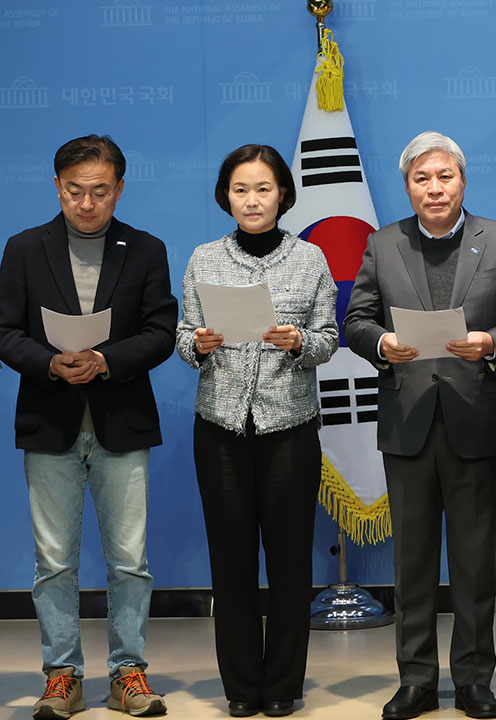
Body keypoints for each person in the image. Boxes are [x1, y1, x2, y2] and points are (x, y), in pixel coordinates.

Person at [345, 131, 496, 720]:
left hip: (474, 420)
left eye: (445, 177)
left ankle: (475, 679)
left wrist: (491, 342)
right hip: (407, 421)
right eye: (421, 179)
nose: (434, 188)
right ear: (407, 186)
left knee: (474, 563)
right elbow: (355, 319)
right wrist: (381, 342)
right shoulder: (382, 245)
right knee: (411, 565)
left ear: (463, 180)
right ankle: (416, 682)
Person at [0, 134, 175, 718]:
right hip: (49, 419)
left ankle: (129, 672)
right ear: (57, 187)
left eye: (100, 191)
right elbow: (5, 332)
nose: (87, 203)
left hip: (120, 418)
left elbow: (160, 331)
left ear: (119, 189)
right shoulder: (24, 248)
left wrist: (105, 360)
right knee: (54, 561)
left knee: (130, 559)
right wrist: (49, 362)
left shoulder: (145, 249)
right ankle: (62, 675)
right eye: (75, 191)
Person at [175, 144, 338, 718]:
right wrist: (196, 344)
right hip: (219, 425)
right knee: (232, 559)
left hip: (288, 426)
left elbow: (328, 338)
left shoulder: (310, 259)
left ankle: (284, 686)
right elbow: (182, 334)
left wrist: (299, 343)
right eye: (241, 189)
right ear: (226, 196)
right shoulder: (203, 258)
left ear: (284, 195)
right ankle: (242, 687)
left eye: (263, 189)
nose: (252, 199)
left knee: (291, 560)